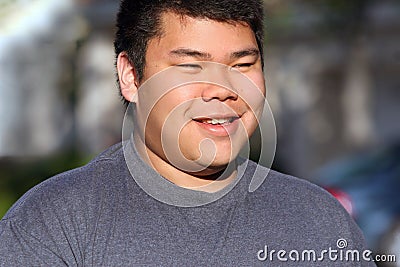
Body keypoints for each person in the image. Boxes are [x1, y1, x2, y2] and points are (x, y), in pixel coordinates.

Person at [0, 0, 375, 266]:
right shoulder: (54, 227)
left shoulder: (318, 222)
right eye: (191, 67)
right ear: (131, 76)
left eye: (243, 64)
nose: (221, 88)